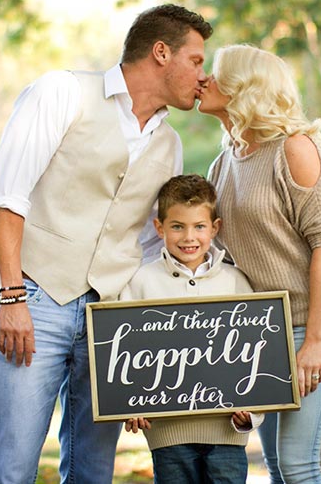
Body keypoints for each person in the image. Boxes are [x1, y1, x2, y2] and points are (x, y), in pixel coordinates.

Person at [0, 4, 213, 484]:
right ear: (161, 52)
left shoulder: (171, 145)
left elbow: (150, 245)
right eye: (197, 60)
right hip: (37, 299)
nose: (202, 76)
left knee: (93, 471)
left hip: (111, 318)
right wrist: (12, 296)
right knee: (11, 466)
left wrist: (143, 338)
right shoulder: (62, 93)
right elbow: (5, 197)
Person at [199, 44, 321, 484]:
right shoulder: (221, 163)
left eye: (216, 74)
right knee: (273, 465)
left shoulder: (295, 150)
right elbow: (224, 263)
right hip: (262, 330)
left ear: (242, 88)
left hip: (312, 324)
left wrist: (316, 342)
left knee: (297, 464)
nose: (204, 80)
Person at [120, 174, 263, 484]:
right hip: (168, 434)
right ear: (159, 228)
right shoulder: (141, 282)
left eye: (199, 226)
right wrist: (129, 402)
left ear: (215, 228)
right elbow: (126, 354)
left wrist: (251, 414)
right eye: (177, 226)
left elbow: (257, 356)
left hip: (227, 433)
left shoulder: (236, 281)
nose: (189, 237)